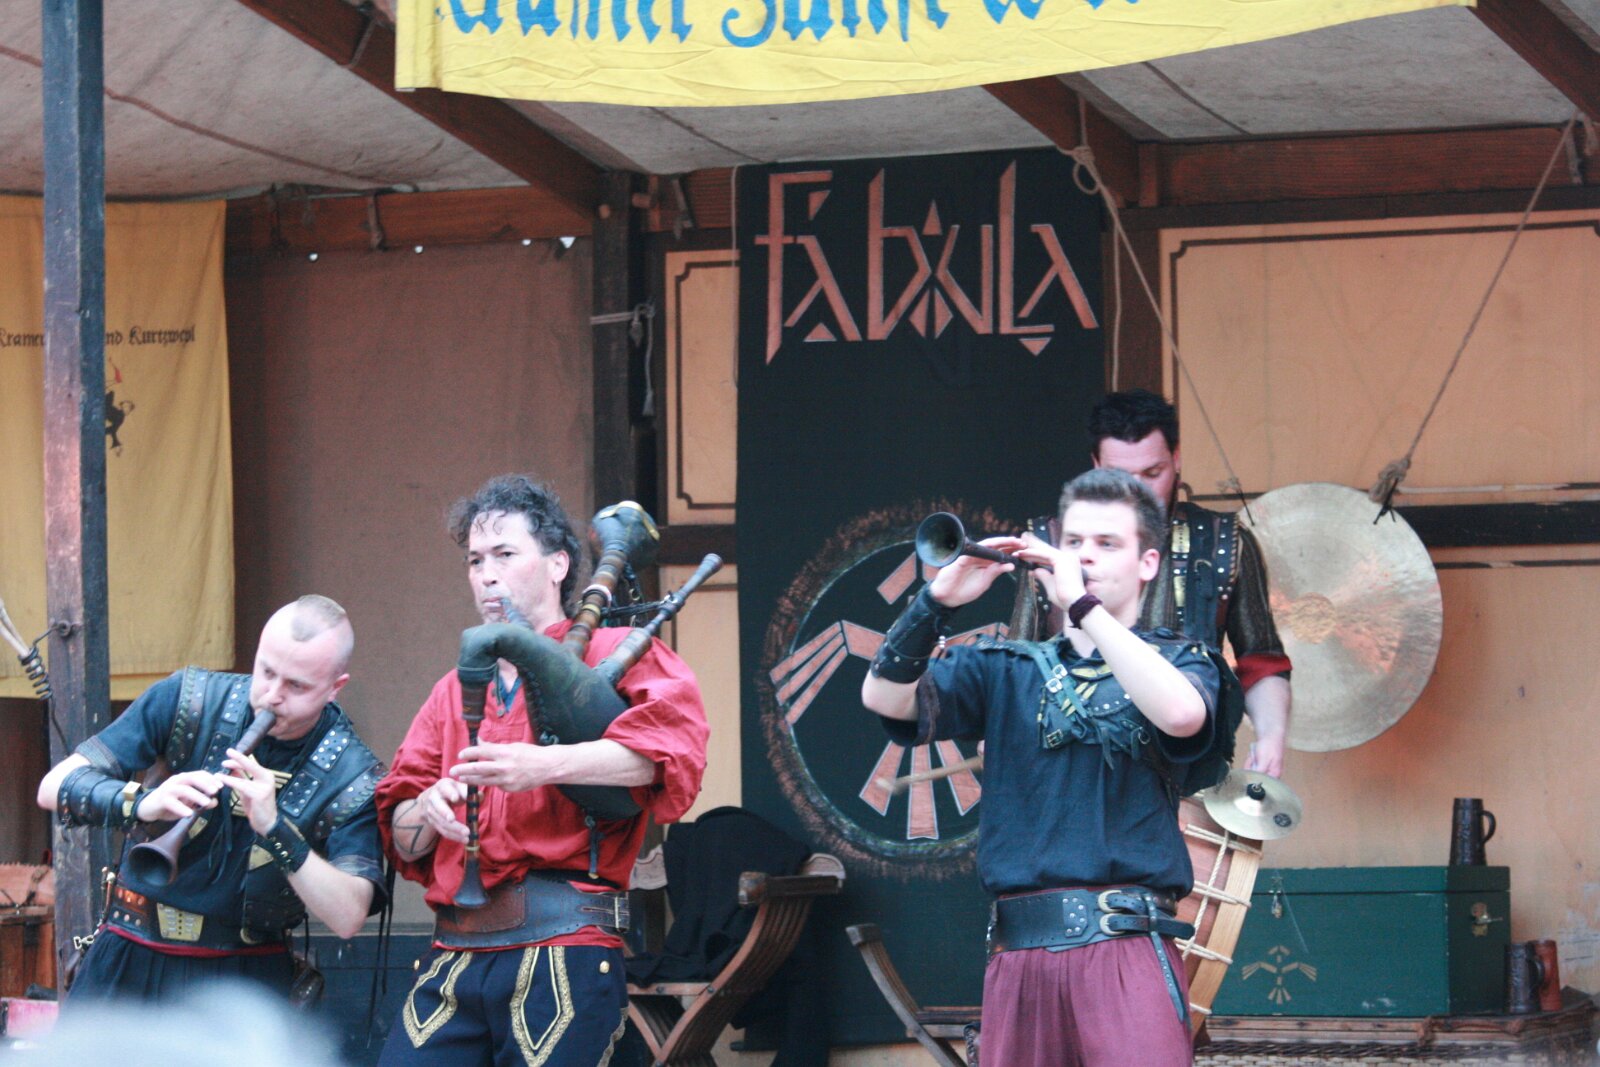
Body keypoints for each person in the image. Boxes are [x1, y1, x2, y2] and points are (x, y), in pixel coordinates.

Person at [863, 469, 1220, 1066]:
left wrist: (1083, 606)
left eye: (1107, 543)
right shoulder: (1004, 667)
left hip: (1126, 951)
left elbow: (1182, 715)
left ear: (1148, 563)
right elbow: (884, 698)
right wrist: (935, 603)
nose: (1085, 556)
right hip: (1021, 959)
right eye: (1073, 542)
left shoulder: (1182, 660)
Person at [377, 474, 708, 1067]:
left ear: (559, 565)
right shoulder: (452, 689)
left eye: (505, 554)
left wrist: (543, 764)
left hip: (563, 953)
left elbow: (670, 755)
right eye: (475, 559)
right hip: (453, 955)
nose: (487, 574)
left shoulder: (613, 652)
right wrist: (426, 809)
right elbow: (402, 833)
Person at [36, 595, 385, 1002]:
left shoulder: (352, 772)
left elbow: (348, 917)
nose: (272, 695)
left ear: (334, 688)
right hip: (128, 952)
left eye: (296, 685)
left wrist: (276, 830)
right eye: (266, 671)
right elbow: (53, 786)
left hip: (245, 980)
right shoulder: (189, 699)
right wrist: (144, 803)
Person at [1086, 389, 1291, 777]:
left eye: (1152, 474)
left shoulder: (1225, 542)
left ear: (1176, 459)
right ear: (1096, 466)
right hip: (1076, 776)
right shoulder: (1053, 544)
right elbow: (1016, 670)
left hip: (1189, 772)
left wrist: (1271, 736)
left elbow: (1261, 662)